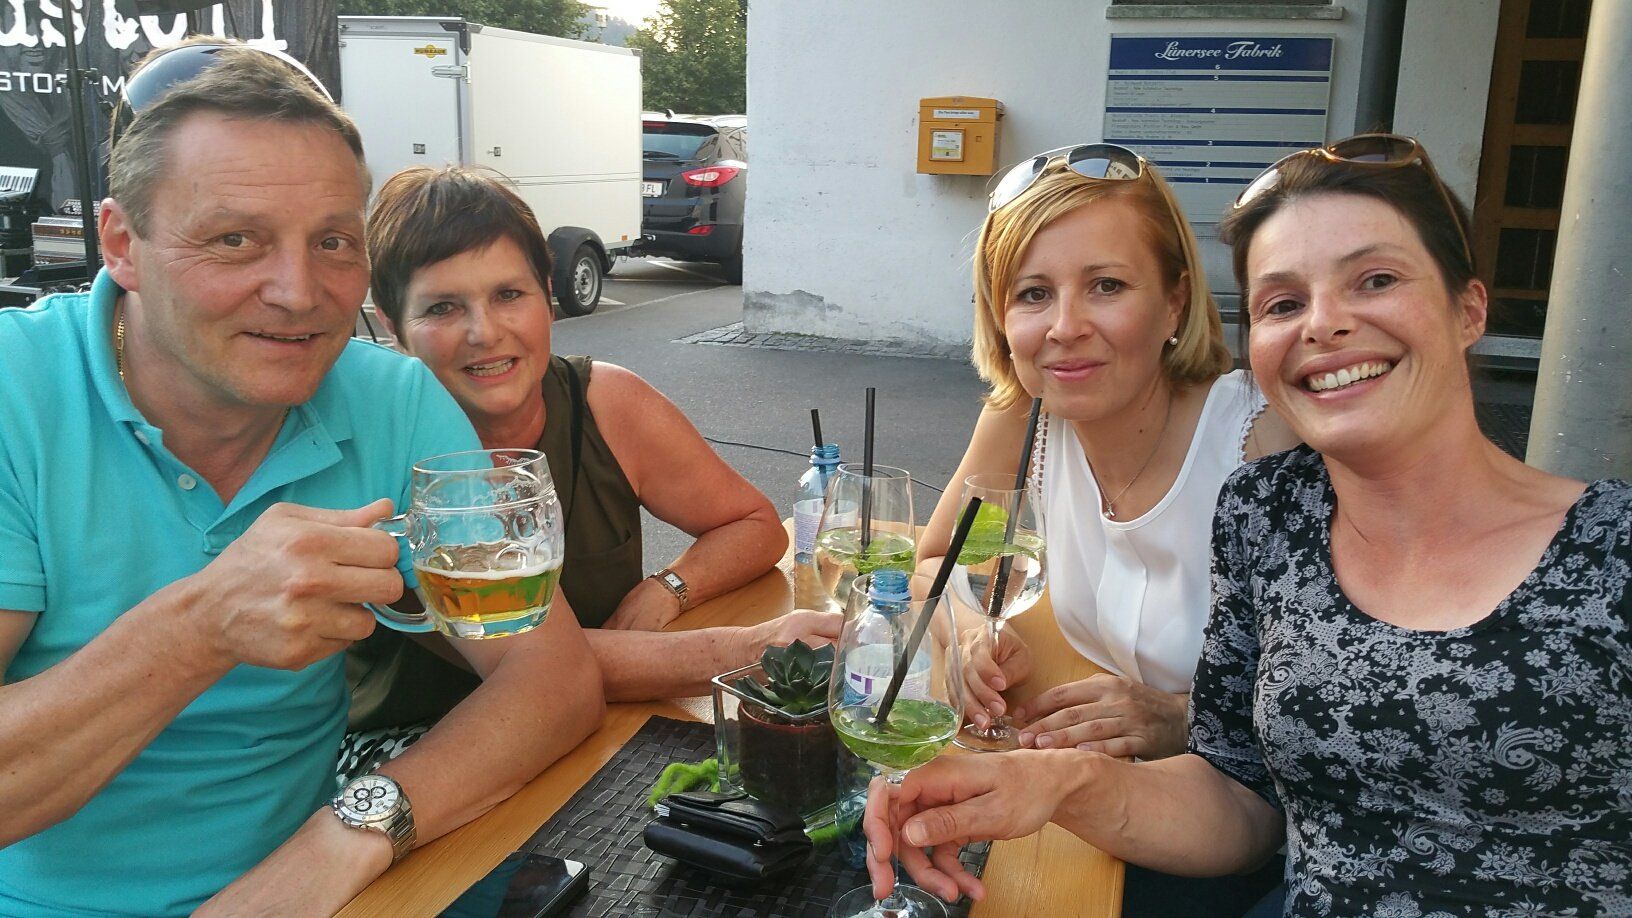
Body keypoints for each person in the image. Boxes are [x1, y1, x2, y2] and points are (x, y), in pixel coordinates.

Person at [864, 135, 1632, 915]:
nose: (1324, 326)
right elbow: (1243, 789)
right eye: (1284, 303)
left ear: (1470, 308)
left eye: (1375, 280)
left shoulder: (1607, 550)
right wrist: (1048, 772)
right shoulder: (1270, 510)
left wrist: (1169, 724)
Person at [0, 42, 603, 917]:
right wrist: (200, 627)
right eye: (235, 239)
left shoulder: (392, 399)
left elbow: (553, 679)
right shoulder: (15, 392)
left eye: (333, 242)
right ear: (123, 244)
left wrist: (349, 836)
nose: (299, 292)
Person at [917, 145, 1294, 912]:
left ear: (1176, 303)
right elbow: (934, 565)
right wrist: (969, 633)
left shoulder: (1261, 437)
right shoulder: (1025, 421)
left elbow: (1344, 704)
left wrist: (1181, 718)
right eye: (1033, 294)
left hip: (1246, 832)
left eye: (1107, 286)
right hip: (1089, 795)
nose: (1065, 327)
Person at [349, 164, 831, 742]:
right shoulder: (386, 452)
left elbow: (753, 525)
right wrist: (753, 648)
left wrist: (671, 587)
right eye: (442, 308)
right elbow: (535, 666)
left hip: (595, 731)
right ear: (392, 326)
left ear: (549, 294)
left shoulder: (604, 402)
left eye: (509, 294)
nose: (485, 332)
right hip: (423, 745)